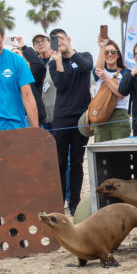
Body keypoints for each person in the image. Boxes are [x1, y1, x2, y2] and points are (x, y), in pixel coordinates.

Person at [48, 28, 93, 215]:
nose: (59, 42)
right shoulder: (53, 63)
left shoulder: (83, 56)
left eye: (61, 39)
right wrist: (58, 60)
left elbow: (86, 68)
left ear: (68, 39)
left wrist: (70, 52)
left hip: (81, 117)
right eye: (55, 40)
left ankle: (74, 201)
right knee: (59, 162)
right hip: (61, 117)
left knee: (76, 162)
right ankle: (59, 200)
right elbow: (61, 84)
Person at [92, 37, 131, 142]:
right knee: (101, 153)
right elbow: (98, 69)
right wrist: (101, 47)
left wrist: (106, 78)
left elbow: (121, 93)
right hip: (101, 114)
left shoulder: (125, 73)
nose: (110, 55)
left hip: (119, 115)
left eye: (113, 52)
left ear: (118, 55)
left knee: (120, 153)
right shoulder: (99, 72)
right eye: (106, 52)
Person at [9, 36, 48, 128]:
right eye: (13, 55)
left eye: (17, 53)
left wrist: (24, 47)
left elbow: (39, 66)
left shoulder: (31, 72)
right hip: (15, 119)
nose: (15, 56)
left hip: (31, 118)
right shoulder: (7, 76)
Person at [32, 32, 56, 130]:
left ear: (50, 42)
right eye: (36, 42)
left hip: (58, 114)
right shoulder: (33, 64)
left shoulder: (57, 60)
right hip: (42, 117)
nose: (40, 44)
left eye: (42, 41)